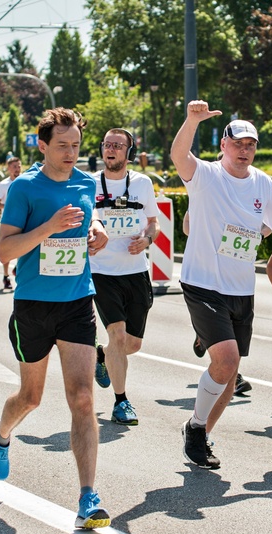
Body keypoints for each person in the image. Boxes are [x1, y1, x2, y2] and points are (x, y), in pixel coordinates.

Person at [171, 101, 272, 469]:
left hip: (241, 289)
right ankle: (196, 429)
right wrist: (191, 120)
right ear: (223, 145)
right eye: (237, 143)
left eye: (250, 145)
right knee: (228, 360)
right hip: (203, 283)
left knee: (228, 373)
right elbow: (178, 154)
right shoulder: (205, 175)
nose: (244, 150)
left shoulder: (262, 184)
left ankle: (199, 431)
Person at [0, 107, 111, 530]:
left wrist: (96, 234)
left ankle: (88, 497)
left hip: (77, 300)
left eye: (76, 145)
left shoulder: (86, 182)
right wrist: (49, 228)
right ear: (42, 145)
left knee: (83, 398)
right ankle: (1, 433)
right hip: (34, 305)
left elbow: (88, 223)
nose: (71, 152)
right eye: (62, 146)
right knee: (32, 398)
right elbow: (5, 252)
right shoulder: (25, 188)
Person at [90, 128, 159, 426]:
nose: (111, 149)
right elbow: (87, 216)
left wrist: (146, 240)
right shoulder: (90, 183)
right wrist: (96, 227)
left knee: (131, 345)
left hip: (136, 272)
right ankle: (122, 401)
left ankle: (102, 356)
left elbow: (153, 224)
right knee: (117, 336)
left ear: (129, 153)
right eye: (107, 144)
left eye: (118, 145)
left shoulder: (143, 184)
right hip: (103, 272)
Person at [183, 210, 254, 397]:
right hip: (209, 281)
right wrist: (207, 240)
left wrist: (257, 235)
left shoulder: (251, 194)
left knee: (233, 337)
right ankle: (234, 376)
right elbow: (186, 225)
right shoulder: (210, 191)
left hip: (238, 282)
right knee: (226, 345)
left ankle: (203, 336)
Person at [0, 156, 22, 290]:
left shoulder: (25, 182)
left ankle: (18, 268)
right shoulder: (4, 184)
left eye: (19, 166)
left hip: (23, 221)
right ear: (9, 169)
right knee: (7, 250)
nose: (17, 169)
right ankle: (6, 275)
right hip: (8, 223)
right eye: (14, 167)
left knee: (24, 247)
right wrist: (7, 206)